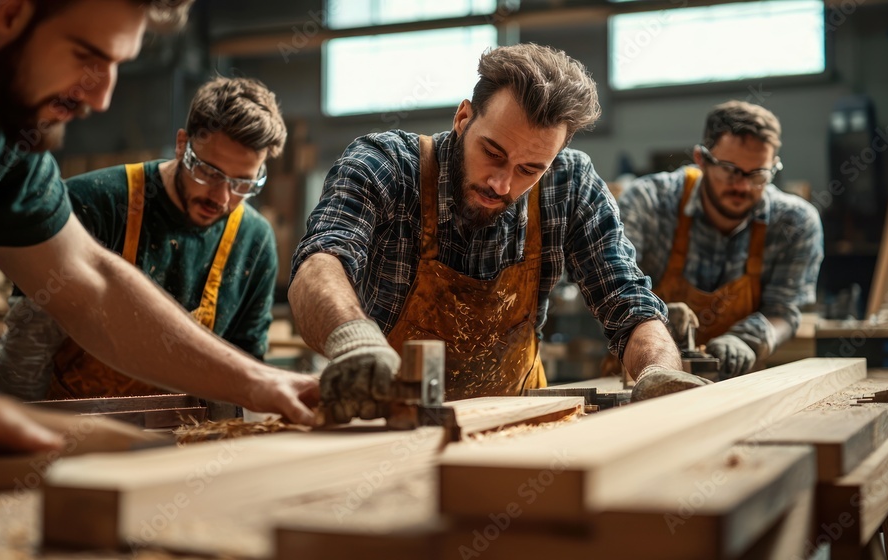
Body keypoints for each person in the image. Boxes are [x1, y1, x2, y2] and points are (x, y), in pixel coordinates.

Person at [0, 0, 318, 451]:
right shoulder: (98, 194)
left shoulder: (4, 140)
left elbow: (91, 283)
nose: (101, 98)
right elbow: (31, 337)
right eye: (87, 56)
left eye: (116, 64)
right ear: (10, 11)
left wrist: (260, 382)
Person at [290, 43, 701, 423]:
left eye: (529, 169)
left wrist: (660, 371)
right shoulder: (387, 165)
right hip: (384, 422)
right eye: (493, 153)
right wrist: (355, 342)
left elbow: (626, 299)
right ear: (463, 117)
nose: (501, 184)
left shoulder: (570, 183)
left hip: (515, 428)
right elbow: (321, 261)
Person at [0, 76, 285, 408]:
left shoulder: (254, 241)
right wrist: (16, 435)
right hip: (66, 427)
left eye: (242, 183)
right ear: (182, 144)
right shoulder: (96, 202)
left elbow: (244, 365)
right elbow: (30, 342)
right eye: (209, 172)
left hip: (182, 437)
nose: (221, 197)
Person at [618, 101, 823, 379]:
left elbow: (784, 312)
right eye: (731, 170)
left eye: (757, 174)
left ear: (773, 166)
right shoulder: (649, 202)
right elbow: (615, 289)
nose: (742, 186)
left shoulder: (795, 223)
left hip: (736, 386)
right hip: (641, 378)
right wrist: (652, 317)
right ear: (701, 159)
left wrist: (747, 340)